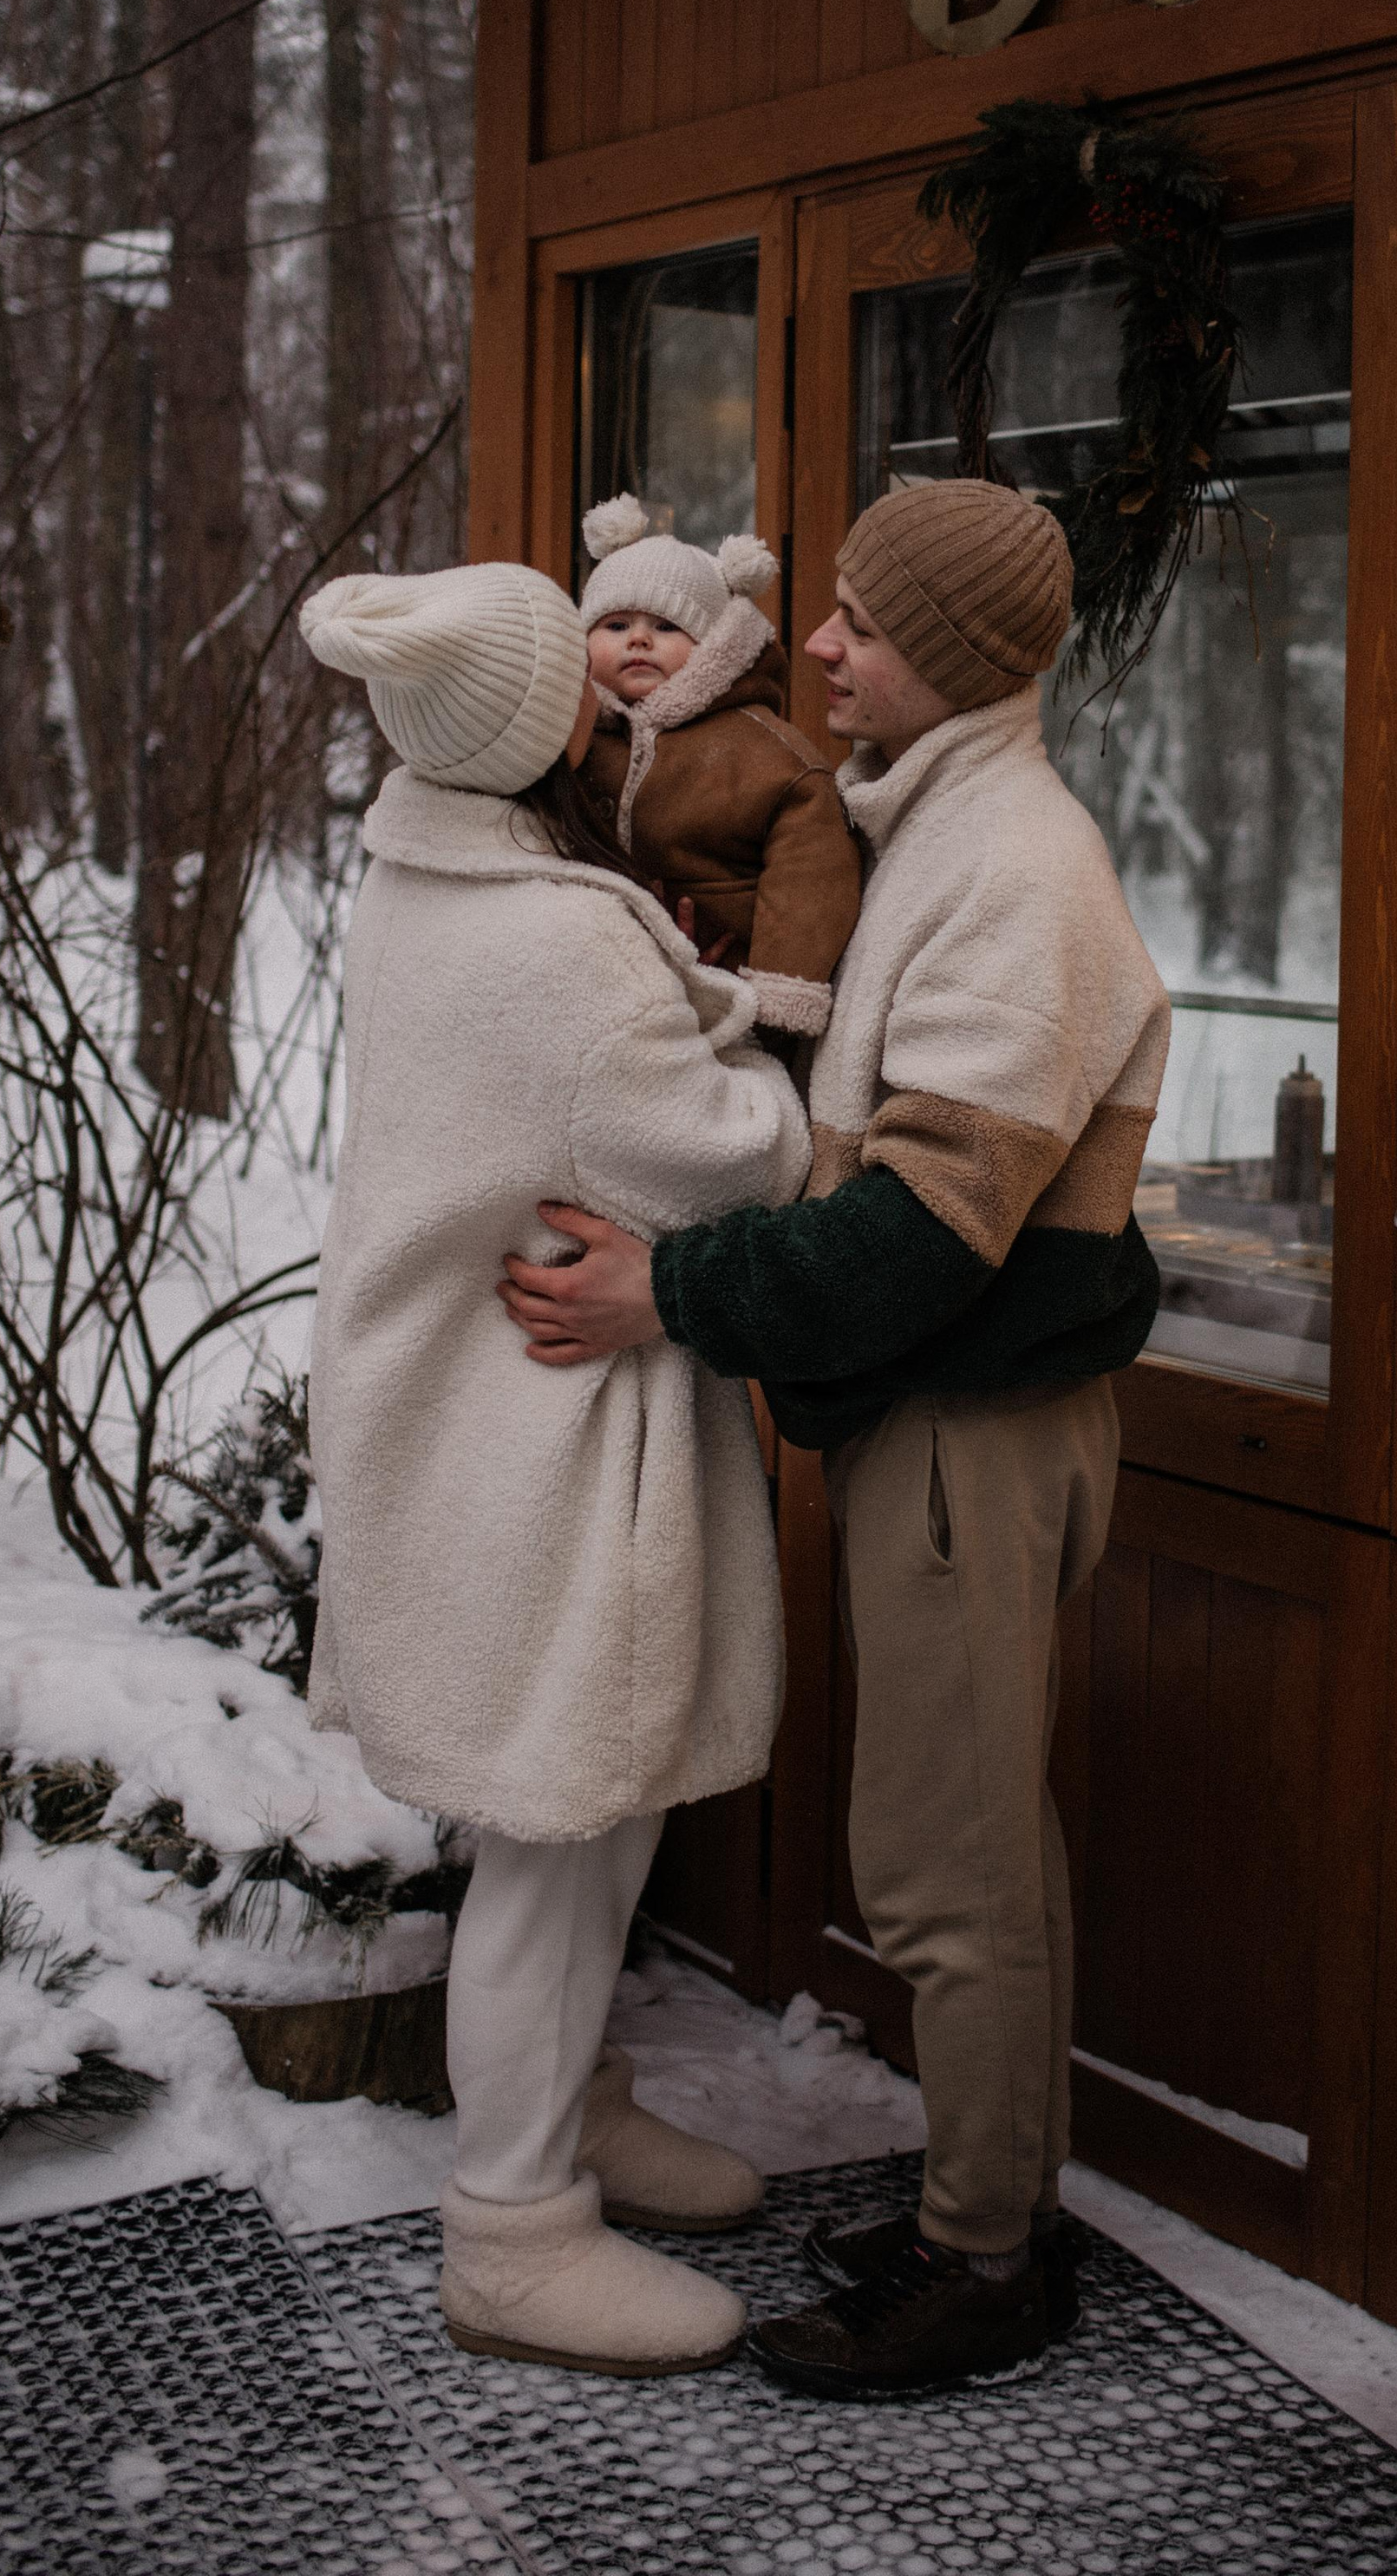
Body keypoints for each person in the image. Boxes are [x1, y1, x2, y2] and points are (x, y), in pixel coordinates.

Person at [497, 479, 1172, 2399]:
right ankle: (998, 2205)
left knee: (949, 1871)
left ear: (943, 655)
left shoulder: (1013, 869)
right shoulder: (924, 821)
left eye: (859, 623)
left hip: (977, 1426)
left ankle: (982, 2264)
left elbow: (924, 1225)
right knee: (975, 1848)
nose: (813, 643)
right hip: (949, 1413)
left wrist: (673, 1292)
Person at [299, 559, 813, 2379]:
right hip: (530, 1445)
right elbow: (732, 1154)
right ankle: (511, 2232)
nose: (621, 694)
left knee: (585, 1821)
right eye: (587, 686)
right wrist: (755, 1032)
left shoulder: (424, 867)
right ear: (546, 731)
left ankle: (573, 2108)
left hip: (464, 1425)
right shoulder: (555, 947)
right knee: (557, 1839)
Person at [576, 494, 862, 1040]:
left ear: (713, 648)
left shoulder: (767, 755)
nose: (638, 638)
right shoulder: (569, 736)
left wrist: (775, 1000)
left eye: (666, 626)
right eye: (615, 625)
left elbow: (811, 880)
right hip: (592, 988)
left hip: (723, 995)